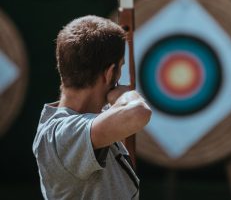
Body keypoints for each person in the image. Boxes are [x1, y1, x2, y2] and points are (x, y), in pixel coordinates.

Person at [32, 15, 152, 200]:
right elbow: (138, 113)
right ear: (109, 73)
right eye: (120, 67)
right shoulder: (60, 135)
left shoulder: (94, 119)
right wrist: (124, 95)